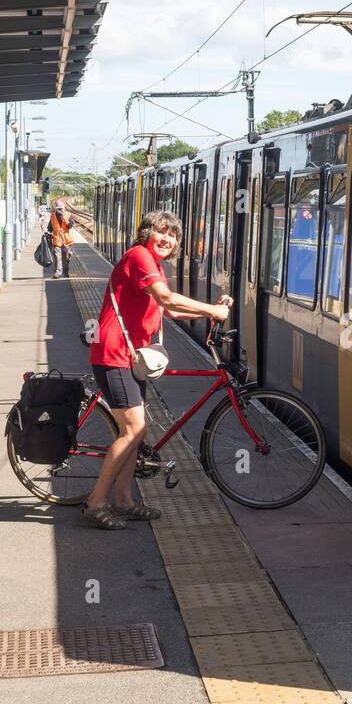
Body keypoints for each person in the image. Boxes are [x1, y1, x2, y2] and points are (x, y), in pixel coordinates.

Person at [82, 210, 232, 530]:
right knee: (132, 430)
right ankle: (96, 502)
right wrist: (213, 310)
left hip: (133, 356)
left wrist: (211, 313)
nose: (167, 239)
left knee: (137, 432)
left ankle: (124, 500)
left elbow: (169, 309)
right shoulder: (139, 256)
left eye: (173, 235)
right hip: (114, 354)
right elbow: (166, 297)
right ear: (146, 234)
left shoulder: (154, 264)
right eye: (160, 232)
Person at [49, 203, 75, 279]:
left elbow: (70, 226)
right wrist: (49, 233)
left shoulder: (68, 215)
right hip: (57, 241)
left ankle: (65, 272)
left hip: (67, 241)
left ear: (64, 209)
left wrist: (66, 221)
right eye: (58, 209)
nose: (60, 211)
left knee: (66, 258)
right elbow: (50, 227)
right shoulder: (53, 216)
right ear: (56, 209)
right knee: (57, 257)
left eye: (61, 209)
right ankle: (58, 272)